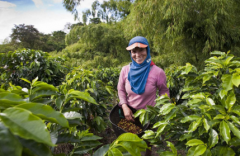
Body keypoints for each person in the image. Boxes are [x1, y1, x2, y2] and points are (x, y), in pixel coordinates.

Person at [117, 36, 170, 122]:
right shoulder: (125, 70)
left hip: (150, 116)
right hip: (130, 113)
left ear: (147, 50)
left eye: (141, 50)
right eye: (134, 51)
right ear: (130, 53)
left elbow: (164, 91)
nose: (138, 55)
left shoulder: (158, 72)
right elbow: (121, 89)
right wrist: (124, 106)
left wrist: (164, 110)